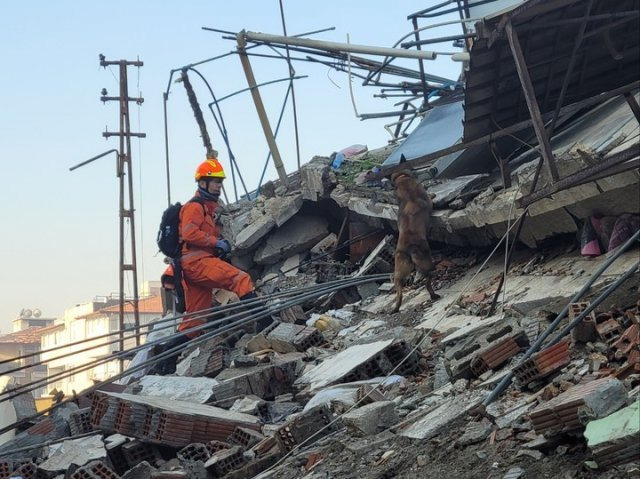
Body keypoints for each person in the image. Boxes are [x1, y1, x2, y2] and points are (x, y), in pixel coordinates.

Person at [178, 157, 257, 337]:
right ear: (203, 183)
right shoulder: (194, 207)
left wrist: (217, 246)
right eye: (215, 182)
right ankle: (267, 322)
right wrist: (216, 242)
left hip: (193, 267)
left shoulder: (207, 209)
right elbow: (189, 234)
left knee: (194, 322)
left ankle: (165, 360)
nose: (219, 186)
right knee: (240, 279)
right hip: (196, 263)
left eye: (220, 182)